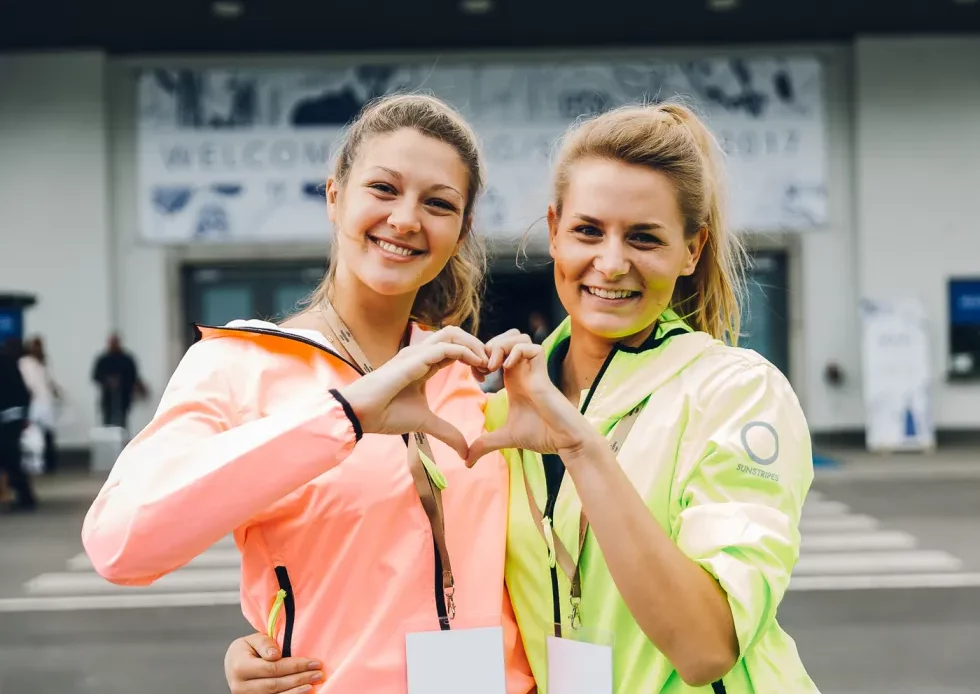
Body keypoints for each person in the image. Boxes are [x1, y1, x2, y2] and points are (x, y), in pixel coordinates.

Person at [226, 102, 819, 693]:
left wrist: (583, 450)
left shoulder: (737, 393)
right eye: (589, 230)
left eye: (644, 238)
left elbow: (706, 648)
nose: (611, 264)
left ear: (692, 250)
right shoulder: (501, 412)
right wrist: (269, 644)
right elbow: (418, 571)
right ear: (555, 231)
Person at [81, 94, 534, 694]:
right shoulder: (234, 365)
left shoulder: (468, 372)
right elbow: (120, 545)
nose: (405, 219)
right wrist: (343, 416)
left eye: (438, 203)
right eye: (383, 188)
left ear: (462, 229)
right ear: (334, 195)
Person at [0, 339, 38, 511]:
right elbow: (24, 392)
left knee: (10, 457)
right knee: (12, 457)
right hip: (13, 416)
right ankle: (24, 494)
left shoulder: (5, 362)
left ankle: (25, 495)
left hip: (7, 417)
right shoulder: (9, 362)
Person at [19, 335, 61, 474]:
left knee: (48, 434)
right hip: (34, 403)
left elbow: (49, 381)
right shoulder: (24, 362)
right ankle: (34, 464)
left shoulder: (43, 363)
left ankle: (50, 464)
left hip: (46, 402)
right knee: (33, 435)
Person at [91, 333, 147, 431]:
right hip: (108, 397)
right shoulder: (103, 360)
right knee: (107, 423)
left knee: (122, 423)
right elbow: (96, 376)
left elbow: (133, 377)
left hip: (123, 397)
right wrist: (108, 381)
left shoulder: (126, 359)